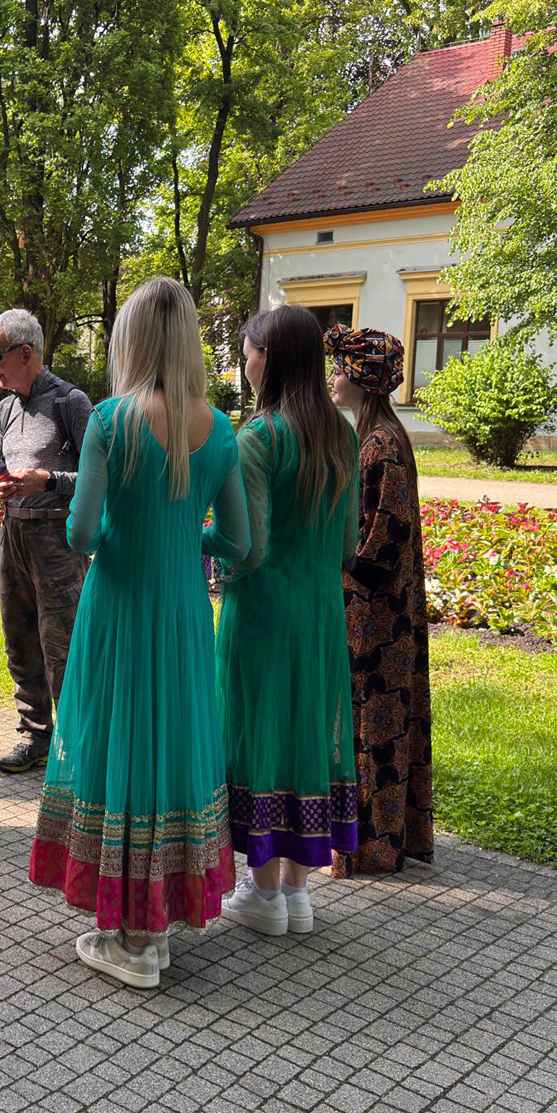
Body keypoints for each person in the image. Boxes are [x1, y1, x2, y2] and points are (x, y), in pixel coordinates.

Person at [28, 277, 249, 989]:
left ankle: (128, 937)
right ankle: (156, 926)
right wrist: (189, 538)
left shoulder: (111, 420)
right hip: (184, 611)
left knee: (117, 741)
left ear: (132, 339)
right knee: (171, 745)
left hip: (118, 608)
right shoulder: (220, 429)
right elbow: (240, 541)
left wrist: (104, 534)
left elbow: (84, 529)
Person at [215, 303, 359, 938]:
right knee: (307, 730)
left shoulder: (260, 438)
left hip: (263, 612)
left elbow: (249, 546)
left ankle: (264, 892)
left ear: (268, 358)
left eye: (247, 353)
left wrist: (199, 542)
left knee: (258, 731)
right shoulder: (343, 435)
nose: (243, 365)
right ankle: (299, 896)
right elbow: (350, 542)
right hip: (322, 610)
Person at [327, 327, 435, 876]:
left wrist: (329, 561)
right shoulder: (380, 436)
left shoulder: (381, 445)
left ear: (363, 380)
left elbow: (381, 545)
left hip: (376, 617)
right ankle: (385, 839)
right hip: (385, 612)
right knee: (383, 725)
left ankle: (370, 846)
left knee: (373, 727)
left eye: (342, 369)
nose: (333, 377)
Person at [0, 309, 94, 774]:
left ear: (25, 352)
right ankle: (34, 737)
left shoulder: (71, 402)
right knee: (19, 637)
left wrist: (46, 481)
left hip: (58, 539)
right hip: (14, 535)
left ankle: (75, 746)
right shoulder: (6, 408)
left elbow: (96, 476)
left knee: (62, 644)